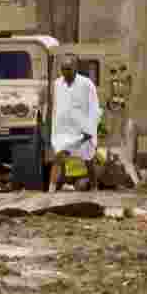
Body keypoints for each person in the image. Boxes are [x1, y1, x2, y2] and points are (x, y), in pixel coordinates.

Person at [48, 54, 103, 192]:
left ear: (75, 68)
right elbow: (56, 107)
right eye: (63, 69)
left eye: (68, 69)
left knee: (88, 160)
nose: (65, 72)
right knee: (59, 157)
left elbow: (94, 108)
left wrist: (90, 131)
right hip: (63, 130)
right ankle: (51, 189)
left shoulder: (87, 84)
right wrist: (53, 128)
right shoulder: (56, 84)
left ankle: (95, 187)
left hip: (82, 130)